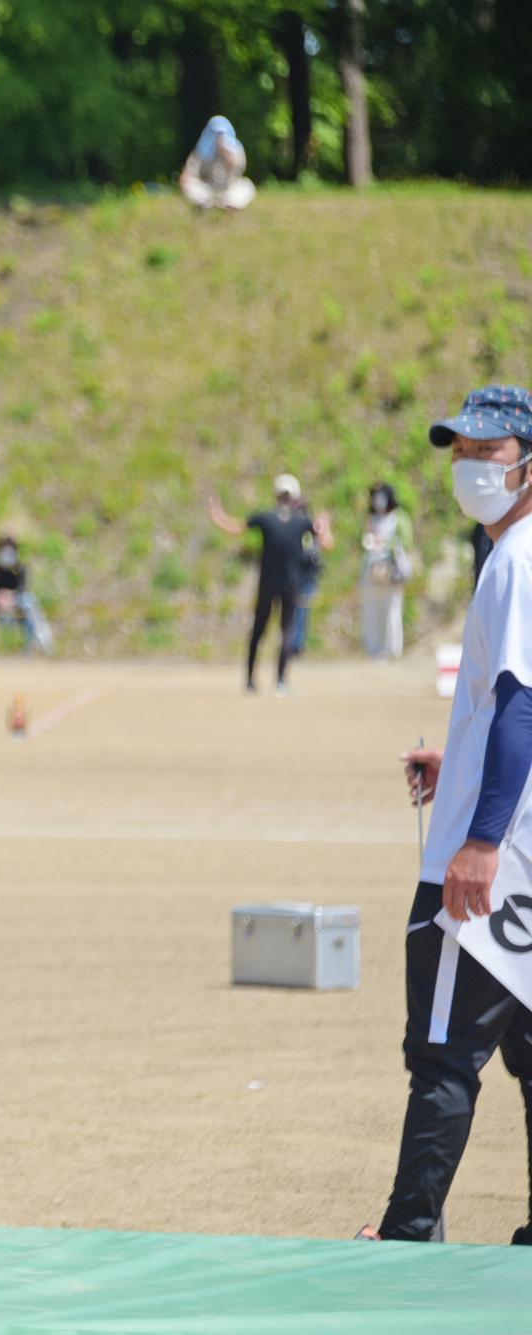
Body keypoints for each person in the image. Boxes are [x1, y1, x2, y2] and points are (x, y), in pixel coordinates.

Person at [360, 385, 532, 1247]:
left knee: (442, 1054)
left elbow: (522, 706)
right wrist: (456, 764)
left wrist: (477, 838)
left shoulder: (519, 560)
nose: (469, 467)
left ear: (529, 464)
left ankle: (409, 1231)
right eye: (460, 451)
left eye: (489, 452)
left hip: (489, 867)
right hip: (526, 853)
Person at [206, 475, 332, 695]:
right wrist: (325, 524)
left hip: (267, 583)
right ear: (294, 497)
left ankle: (250, 681)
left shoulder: (265, 517)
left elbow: (234, 528)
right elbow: (327, 543)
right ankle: (281, 682)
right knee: (288, 630)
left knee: (258, 631)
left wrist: (217, 515)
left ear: (276, 495)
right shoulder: (302, 521)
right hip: (292, 584)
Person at [0, 536, 54, 654]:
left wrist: (11, 598)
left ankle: (38, 645)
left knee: (29, 602)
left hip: (16, 600)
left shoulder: (21, 570)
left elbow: (23, 589)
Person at [360, 482, 414, 661]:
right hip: (372, 571)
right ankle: (374, 648)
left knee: (392, 611)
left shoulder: (399, 518)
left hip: (391, 571)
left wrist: (386, 544)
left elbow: (406, 542)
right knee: (373, 611)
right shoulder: (371, 519)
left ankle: (393, 649)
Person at [179, 115, 256, 212]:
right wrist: (187, 182)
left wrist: (226, 153)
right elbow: (187, 175)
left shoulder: (236, 149)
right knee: (190, 185)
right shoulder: (200, 151)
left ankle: (229, 204)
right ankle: (205, 203)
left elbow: (237, 171)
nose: (218, 138)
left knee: (247, 186)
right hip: (208, 188)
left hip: (229, 188)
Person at [288, 490, 332, 657]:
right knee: (291, 609)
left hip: (307, 573)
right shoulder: (290, 525)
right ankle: (290, 643)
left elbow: (327, 544)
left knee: (302, 609)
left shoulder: (312, 526)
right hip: (292, 572)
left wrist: (325, 525)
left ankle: (296, 645)